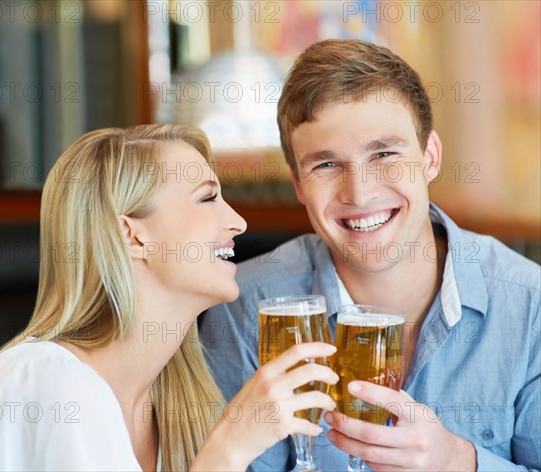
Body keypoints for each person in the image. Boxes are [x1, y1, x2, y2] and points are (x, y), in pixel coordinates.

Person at [200, 39, 540, 471]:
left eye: (383, 153)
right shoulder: (245, 310)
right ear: (299, 186)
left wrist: (460, 462)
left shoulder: (530, 307)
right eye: (326, 165)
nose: (359, 192)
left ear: (429, 157)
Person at [0, 124, 340, 471]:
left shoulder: (175, 400)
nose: (238, 222)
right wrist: (227, 452)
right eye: (207, 198)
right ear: (133, 237)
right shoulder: (48, 384)